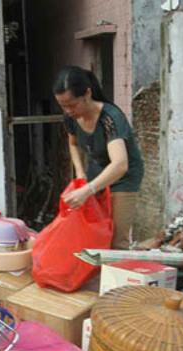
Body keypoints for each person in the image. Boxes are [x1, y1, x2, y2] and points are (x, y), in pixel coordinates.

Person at [54, 66, 144, 250]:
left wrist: (87, 190)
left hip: (124, 178)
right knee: (95, 230)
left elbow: (120, 165)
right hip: (96, 171)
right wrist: (80, 174)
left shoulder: (110, 118)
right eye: (63, 106)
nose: (68, 110)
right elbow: (73, 144)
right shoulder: (71, 117)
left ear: (87, 93)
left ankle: (116, 277)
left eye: (72, 104)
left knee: (116, 239)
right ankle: (95, 275)